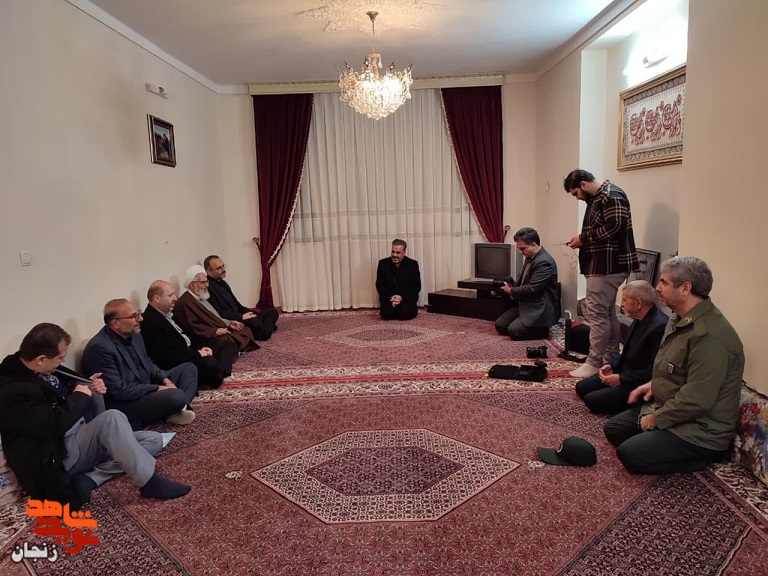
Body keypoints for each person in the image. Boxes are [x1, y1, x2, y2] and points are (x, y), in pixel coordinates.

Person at [0, 323, 191, 507]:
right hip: (55, 456)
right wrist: (80, 396)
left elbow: (64, 393)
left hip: (78, 440)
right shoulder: (13, 390)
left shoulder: (40, 369)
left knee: (153, 440)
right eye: (59, 358)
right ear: (41, 359)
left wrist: (87, 385)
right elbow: (52, 425)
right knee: (112, 418)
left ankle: (92, 478)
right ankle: (149, 482)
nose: (62, 363)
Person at [604, 257, 745, 474]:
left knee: (630, 455)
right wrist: (653, 385)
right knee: (614, 430)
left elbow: (697, 400)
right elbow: (674, 368)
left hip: (700, 428)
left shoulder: (709, 336)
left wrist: (655, 419)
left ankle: (708, 456)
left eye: (664, 282)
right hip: (671, 406)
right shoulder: (678, 318)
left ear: (685, 288)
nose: (657, 288)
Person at [563, 169, 639, 379]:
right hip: (603, 266)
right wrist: (582, 238)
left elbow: (616, 227)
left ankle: (593, 362)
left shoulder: (611, 195)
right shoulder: (599, 197)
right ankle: (611, 358)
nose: (577, 198)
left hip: (608, 266)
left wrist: (583, 238)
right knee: (607, 313)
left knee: (597, 314)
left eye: (576, 193)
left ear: (583, 184)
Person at [82, 299, 198, 430]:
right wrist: (158, 388)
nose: (140, 319)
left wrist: (165, 380)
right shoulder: (100, 348)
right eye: (134, 316)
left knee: (189, 368)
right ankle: (175, 408)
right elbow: (119, 391)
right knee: (176, 395)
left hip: (147, 385)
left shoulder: (135, 335)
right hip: (130, 400)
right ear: (115, 323)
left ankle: (175, 408)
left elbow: (148, 363)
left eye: (139, 313)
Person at [575, 280, 668, 414]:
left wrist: (621, 379)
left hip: (638, 382)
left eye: (624, 300)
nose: (622, 304)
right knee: (582, 387)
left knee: (592, 400)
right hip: (624, 372)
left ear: (638, 303)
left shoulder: (659, 327)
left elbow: (653, 371)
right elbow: (628, 352)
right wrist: (611, 365)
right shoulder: (639, 318)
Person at [141, 280, 229, 389]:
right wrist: (198, 354)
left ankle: (215, 374)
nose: (175, 298)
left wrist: (200, 349)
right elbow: (166, 357)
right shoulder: (149, 321)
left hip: (189, 352)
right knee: (209, 362)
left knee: (223, 345)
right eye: (170, 295)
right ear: (157, 298)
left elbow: (185, 338)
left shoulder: (166, 315)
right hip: (179, 362)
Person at [173, 265, 258, 355]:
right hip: (203, 337)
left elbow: (215, 317)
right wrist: (215, 331)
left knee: (244, 329)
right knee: (226, 340)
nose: (207, 285)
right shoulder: (184, 303)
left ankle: (236, 349)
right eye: (203, 282)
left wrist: (229, 323)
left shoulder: (201, 297)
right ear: (192, 285)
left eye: (207, 281)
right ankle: (235, 349)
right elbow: (193, 327)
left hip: (215, 329)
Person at [494, 227, 560, 340]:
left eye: (523, 249)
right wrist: (512, 284)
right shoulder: (531, 256)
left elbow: (533, 288)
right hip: (526, 303)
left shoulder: (544, 262)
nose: (521, 252)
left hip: (539, 307)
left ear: (533, 245)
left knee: (514, 331)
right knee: (500, 325)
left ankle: (543, 329)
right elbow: (525, 281)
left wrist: (511, 291)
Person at [204, 255, 279, 341]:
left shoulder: (223, 283)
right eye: (219, 268)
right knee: (255, 323)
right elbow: (219, 314)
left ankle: (264, 327)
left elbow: (237, 304)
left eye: (223, 266)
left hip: (240, 315)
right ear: (209, 271)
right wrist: (241, 317)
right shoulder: (208, 288)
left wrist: (250, 313)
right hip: (233, 321)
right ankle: (265, 332)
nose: (223, 270)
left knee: (272, 312)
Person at [376, 239, 421, 320]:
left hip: (406, 298)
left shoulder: (412, 264)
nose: (394, 255)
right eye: (393, 252)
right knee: (387, 314)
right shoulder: (383, 264)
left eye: (398, 253)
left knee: (405, 314)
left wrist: (401, 297)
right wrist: (392, 298)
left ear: (404, 252)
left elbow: (416, 286)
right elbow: (380, 285)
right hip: (389, 298)